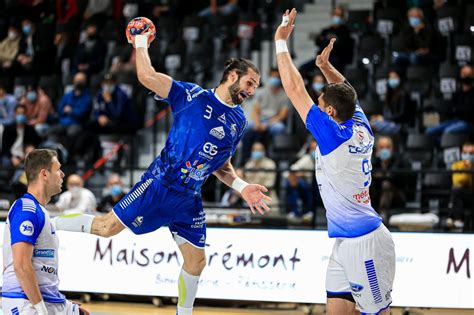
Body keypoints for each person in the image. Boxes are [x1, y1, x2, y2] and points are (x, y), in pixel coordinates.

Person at [52, 30, 271, 315]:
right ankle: (49, 222)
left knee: (196, 262)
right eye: (250, 82)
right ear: (232, 76)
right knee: (106, 228)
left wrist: (241, 186)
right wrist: (141, 42)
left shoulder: (238, 120)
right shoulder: (191, 95)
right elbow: (147, 76)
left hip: (189, 198)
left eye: (256, 86)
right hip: (159, 184)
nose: (252, 90)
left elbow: (220, 165)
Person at [275, 9, 395, 314]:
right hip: (346, 242)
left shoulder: (333, 136)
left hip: (365, 242)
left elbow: (294, 89)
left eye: (320, 104)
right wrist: (326, 67)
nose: (315, 106)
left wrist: (280, 42)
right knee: (337, 311)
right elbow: (348, 94)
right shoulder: (359, 125)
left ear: (328, 113)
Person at [2, 149, 89, 315]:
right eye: (58, 169)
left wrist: (65, 304)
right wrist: (41, 310)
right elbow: (21, 266)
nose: (63, 174)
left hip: (46, 300)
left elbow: (38, 267)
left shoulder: (39, 210)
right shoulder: (27, 210)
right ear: (44, 174)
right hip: (25, 303)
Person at [241, 67, 289, 161]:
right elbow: (255, 110)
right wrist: (258, 123)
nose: (274, 79)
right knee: (246, 128)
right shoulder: (261, 92)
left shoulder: (284, 96)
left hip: (274, 122)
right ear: (269, 77)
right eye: (272, 76)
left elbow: (282, 115)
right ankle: (245, 158)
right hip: (260, 120)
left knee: (279, 128)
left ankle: (275, 159)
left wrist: (267, 125)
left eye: (276, 77)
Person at [371, 136, 406, 221]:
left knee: (386, 184)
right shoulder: (374, 161)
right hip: (378, 194)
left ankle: (383, 214)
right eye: (382, 147)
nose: (384, 150)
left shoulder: (398, 160)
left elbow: (393, 176)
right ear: (377, 150)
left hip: (397, 196)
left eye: (387, 147)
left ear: (392, 149)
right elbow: (371, 176)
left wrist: (380, 176)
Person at [244, 142, 278, 208]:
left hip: (268, 199)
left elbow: (269, 185)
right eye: (254, 150)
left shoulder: (270, 164)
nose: (256, 152)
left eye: (259, 150)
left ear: (263, 152)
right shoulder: (248, 165)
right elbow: (246, 183)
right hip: (251, 200)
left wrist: (253, 188)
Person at [448, 141, 474, 230]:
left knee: (456, 191)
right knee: (456, 190)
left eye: (471, 153)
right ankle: (457, 219)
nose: (468, 155)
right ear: (461, 153)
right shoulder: (456, 165)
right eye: (465, 153)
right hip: (463, 194)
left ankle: (453, 217)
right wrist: (467, 168)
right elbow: (458, 181)